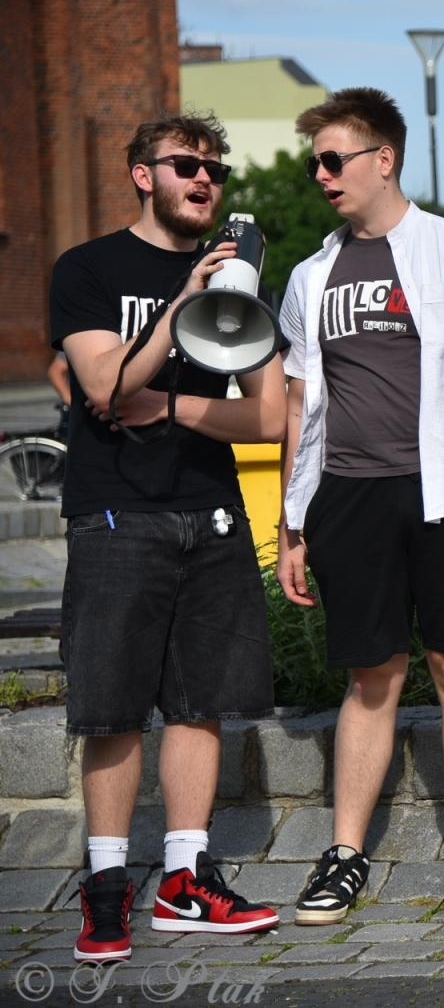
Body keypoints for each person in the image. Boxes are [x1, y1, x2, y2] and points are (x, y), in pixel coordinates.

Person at [276, 88, 444, 925]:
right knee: (370, 676)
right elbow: (298, 406)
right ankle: (344, 855)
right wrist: (291, 522)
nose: (323, 176)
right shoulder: (310, 276)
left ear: (383, 159)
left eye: (334, 160)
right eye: (315, 164)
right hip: (348, 496)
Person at [50, 113, 285, 962]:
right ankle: (107, 888)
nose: (204, 180)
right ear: (143, 174)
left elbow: (269, 417)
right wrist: (182, 303)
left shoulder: (239, 279)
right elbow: (105, 388)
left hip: (211, 510)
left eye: (215, 169)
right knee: (113, 709)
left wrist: (179, 406)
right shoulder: (88, 269)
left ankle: (186, 881)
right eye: (187, 165)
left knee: (199, 703)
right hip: (118, 513)